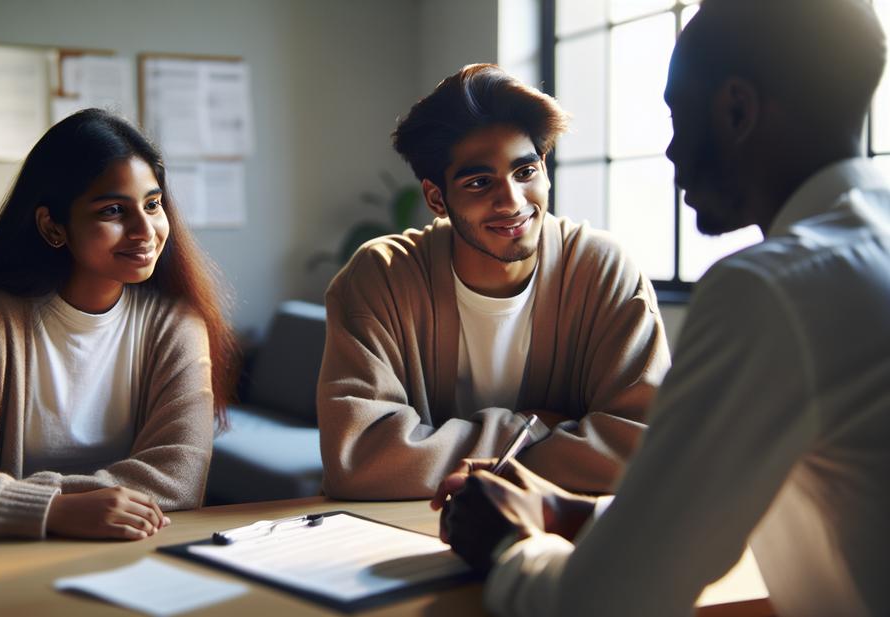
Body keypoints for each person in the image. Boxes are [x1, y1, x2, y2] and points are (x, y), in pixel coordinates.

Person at [436, 1, 890, 615]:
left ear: (736, 110)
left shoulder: (773, 291)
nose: (673, 152)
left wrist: (508, 545)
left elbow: (606, 603)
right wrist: (571, 512)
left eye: (680, 118)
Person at [0, 109, 237, 541]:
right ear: (53, 226)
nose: (145, 230)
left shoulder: (176, 326)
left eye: (153, 204)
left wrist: (13, 500)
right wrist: (54, 510)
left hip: (130, 552)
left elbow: (177, 483)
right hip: (3, 555)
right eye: (114, 210)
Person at [317, 64, 671, 500]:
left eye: (526, 173)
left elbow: (646, 446)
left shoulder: (602, 269)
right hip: (402, 534)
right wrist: (535, 427)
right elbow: (360, 460)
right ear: (436, 198)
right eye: (480, 182)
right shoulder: (381, 278)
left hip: (556, 534)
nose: (513, 202)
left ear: (544, 167)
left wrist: (435, 455)